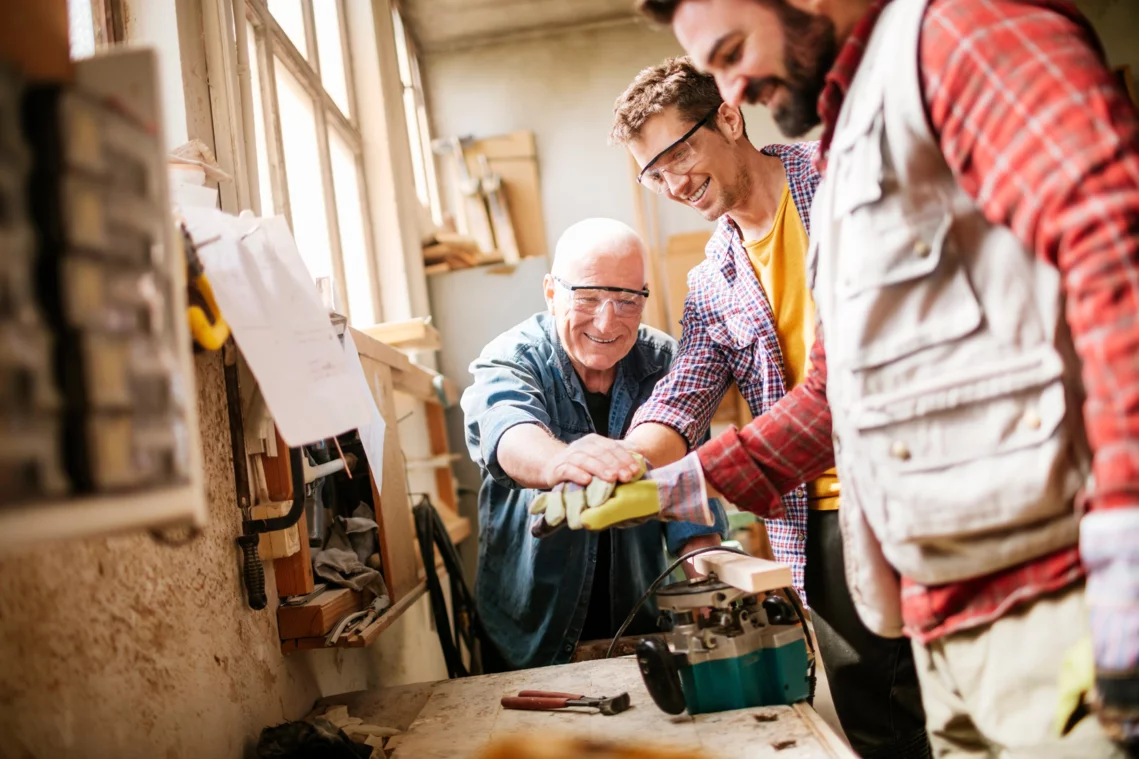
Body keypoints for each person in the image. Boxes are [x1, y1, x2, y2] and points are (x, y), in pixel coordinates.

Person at [538, 0, 1139, 753]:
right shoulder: (754, 239)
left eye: (730, 52)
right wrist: (644, 472)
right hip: (882, 549)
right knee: (883, 729)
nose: (737, 86)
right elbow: (812, 393)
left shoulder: (924, 65)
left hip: (1036, 548)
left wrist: (1125, 536)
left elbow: (1116, 257)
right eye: (649, 174)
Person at [606, 57, 929, 758]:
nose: (674, 183)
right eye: (652, 174)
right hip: (822, 519)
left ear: (728, 114)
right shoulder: (710, 280)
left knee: (968, 702)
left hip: (923, 479)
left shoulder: (843, 175)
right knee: (879, 724)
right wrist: (622, 460)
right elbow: (683, 392)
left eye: (678, 153)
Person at [461, 217, 728, 672]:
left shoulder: (668, 364)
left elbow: (687, 495)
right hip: (529, 631)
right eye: (587, 298)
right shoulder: (512, 357)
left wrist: (711, 583)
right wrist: (559, 463)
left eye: (627, 301)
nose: (607, 322)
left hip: (638, 618)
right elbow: (507, 428)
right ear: (551, 291)